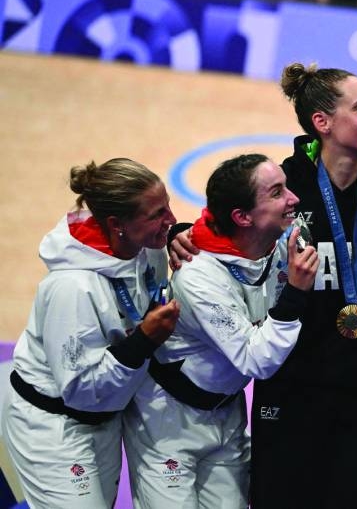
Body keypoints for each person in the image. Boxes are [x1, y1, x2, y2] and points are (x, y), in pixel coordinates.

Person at [171, 63, 357, 508]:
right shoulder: (285, 190)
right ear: (322, 122)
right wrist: (179, 233)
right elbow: (224, 227)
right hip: (292, 395)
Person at [124, 154, 316, 508]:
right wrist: (295, 295)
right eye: (277, 192)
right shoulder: (198, 276)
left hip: (228, 414)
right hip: (168, 423)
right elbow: (256, 360)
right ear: (242, 217)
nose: (294, 199)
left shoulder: (282, 241)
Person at [0, 158, 180, 508]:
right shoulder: (71, 288)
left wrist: (181, 234)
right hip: (55, 426)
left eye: (168, 206)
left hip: (106, 415)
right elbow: (80, 390)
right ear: (117, 224)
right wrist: (143, 341)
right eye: (157, 214)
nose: (171, 219)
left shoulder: (148, 249)